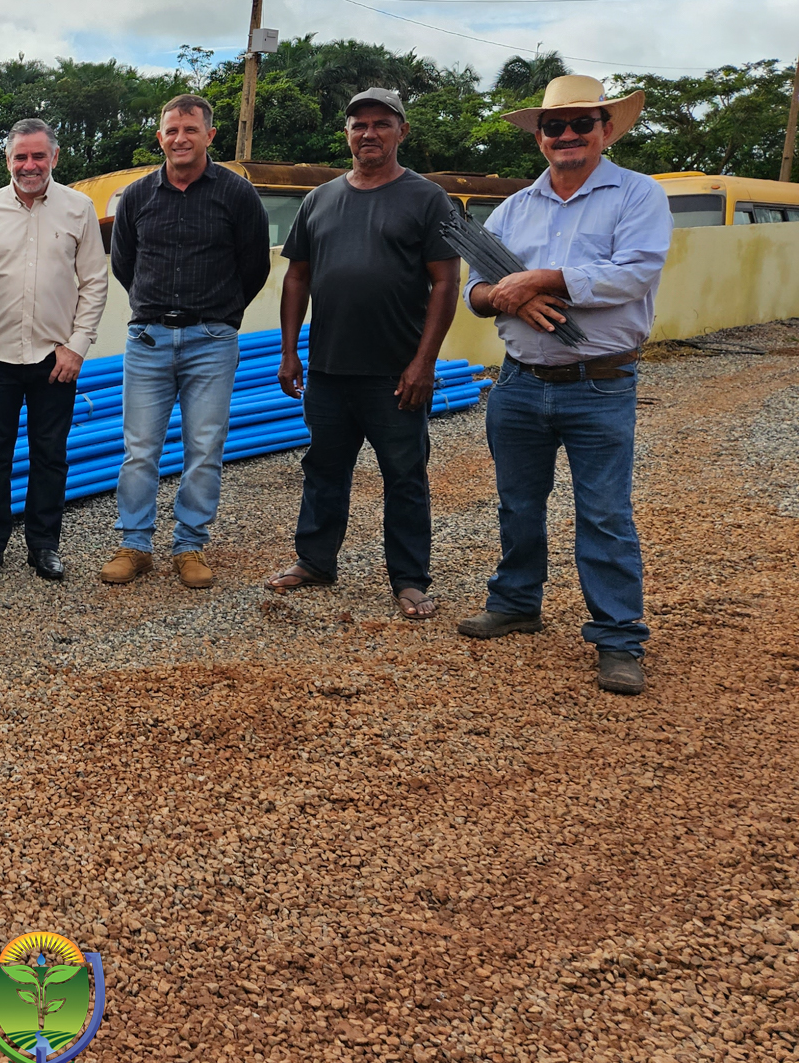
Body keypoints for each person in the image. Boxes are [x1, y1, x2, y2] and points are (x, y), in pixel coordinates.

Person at [455, 75, 672, 697]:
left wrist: (539, 280)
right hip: (519, 382)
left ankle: (618, 637)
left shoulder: (638, 195)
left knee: (604, 514)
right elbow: (476, 289)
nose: (567, 134)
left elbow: (632, 275)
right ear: (540, 138)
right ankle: (516, 602)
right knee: (517, 504)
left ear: (607, 129)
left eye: (582, 123)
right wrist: (505, 296)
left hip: (599, 382)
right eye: (555, 126)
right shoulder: (514, 208)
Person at [266, 87, 459, 619]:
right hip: (329, 369)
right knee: (323, 469)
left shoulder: (427, 198)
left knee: (405, 476)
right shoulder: (320, 199)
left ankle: (410, 579)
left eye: (381, 123)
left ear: (402, 131)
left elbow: (446, 283)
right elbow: (297, 277)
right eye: (359, 125)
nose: (369, 133)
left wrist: (424, 363)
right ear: (347, 134)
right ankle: (315, 561)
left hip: (396, 372)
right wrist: (289, 352)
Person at [101, 94, 272, 590]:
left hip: (211, 341)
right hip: (148, 340)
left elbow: (254, 267)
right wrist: (153, 308)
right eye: (172, 130)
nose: (180, 139)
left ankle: (189, 546)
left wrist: (222, 317)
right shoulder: (136, 197)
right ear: (160, 137)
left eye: (190, 129)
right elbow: (125, 265)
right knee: (139, 449)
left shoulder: (237, 195)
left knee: (204, 446)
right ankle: (135, 545)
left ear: (209, 135)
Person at [0, 119, 109, 581]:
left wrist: (77, 346)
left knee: (50, 454)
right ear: (8, 160)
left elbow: (95, 282)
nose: (30, 165)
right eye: (20, 157)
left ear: (55, 157)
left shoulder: (79, 208)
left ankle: (44, 546)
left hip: (55, 358)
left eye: (38, 156)